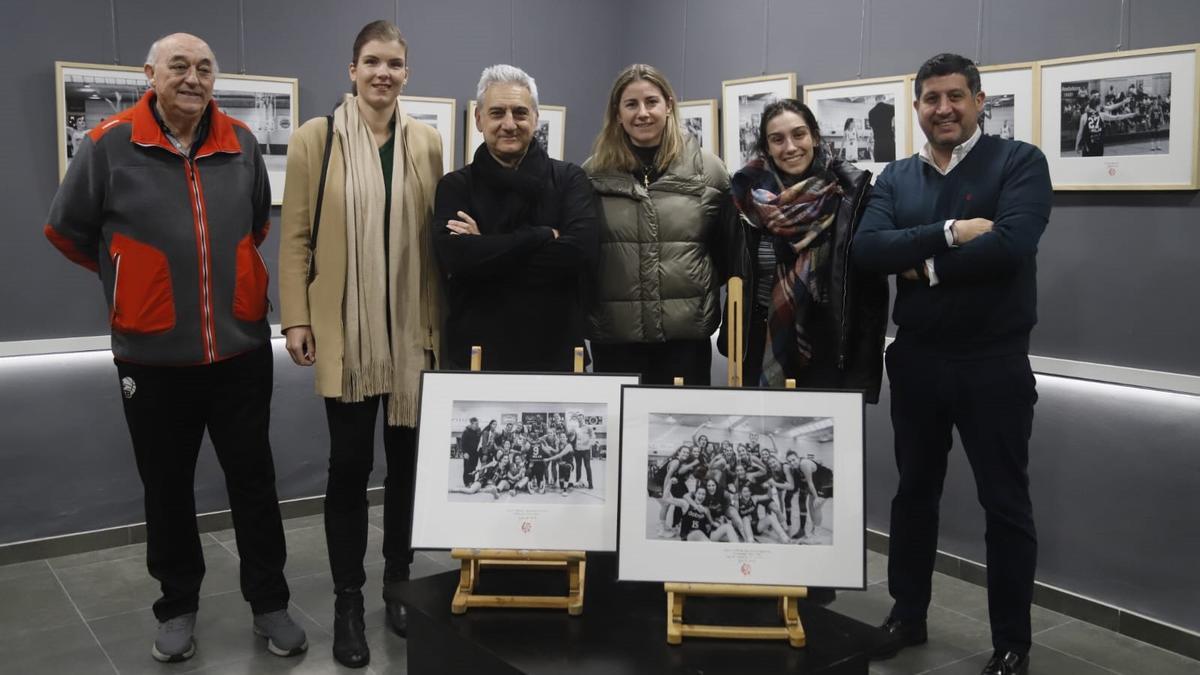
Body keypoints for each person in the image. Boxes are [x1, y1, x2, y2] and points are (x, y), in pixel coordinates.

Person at [43, 32, 306, 664]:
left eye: (205, 68)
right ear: (150, 76)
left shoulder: (240, 144)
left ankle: (269, 601)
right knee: (166, 488)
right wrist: (130, 280)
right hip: (152, 360)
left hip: (240, 352)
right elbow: (67, 230)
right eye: (179, 67)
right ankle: (177, 607)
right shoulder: (108, 145)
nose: (193, 77)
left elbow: (254, 227)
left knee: (254, 482)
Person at [853, 53, 1052, 675]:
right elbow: (867, 250)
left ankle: (1012, 643)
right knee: (913, 496)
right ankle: (907, 614)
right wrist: (951, 233)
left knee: (1006, 505)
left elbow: (1013, 243)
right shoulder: (895, 176)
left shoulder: (1020, 162)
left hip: (994, 363)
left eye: (955, 97)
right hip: (917, 361)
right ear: (916, 107)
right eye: (931, 99)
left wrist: (923, 266)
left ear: (978, 101)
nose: (943, 108)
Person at [278, 20, 443, 668]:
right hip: (346, 335)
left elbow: (439, 237)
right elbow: (294, 239)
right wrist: (296, 318)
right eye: (372, 61)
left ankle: (397, 583)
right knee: (348, 470)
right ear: (352, 69)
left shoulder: (427, 143)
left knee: (406, 469)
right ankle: (349, 600)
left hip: (411, 335)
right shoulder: (315, 139)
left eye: (394, 63)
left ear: (406, 72)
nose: (383, 73)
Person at [584, 64, 744, 385]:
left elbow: (730, 256)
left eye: (651, 102)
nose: (642, 113)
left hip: (684, 342)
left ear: (668, 106)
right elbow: (584, 257)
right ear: (617, 114)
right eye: (631, 104)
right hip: (615, 341)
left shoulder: (708, 170)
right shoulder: (593, 174)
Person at [433, 64, 600, 371]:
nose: (509, 124)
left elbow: (580, 254)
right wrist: (540, 237)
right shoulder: (455, 186)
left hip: (556, 352)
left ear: (535, 118)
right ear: (479, 119)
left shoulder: (569, 180)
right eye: (497, 113)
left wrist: (484, 247)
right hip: (475, 354)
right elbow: (457, 259)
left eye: (520, 113)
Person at [728, 98, 888, 398]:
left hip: (829, 345)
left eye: (798, 135)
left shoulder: (851, 194)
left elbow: (870, 293)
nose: (790, 147)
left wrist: (863, 375)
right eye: (777, 139)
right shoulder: (745, 198)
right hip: (764, 340)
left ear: (814, 136)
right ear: (767, 147)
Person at [1075, 89, 1138, 157]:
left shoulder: (1094, 107)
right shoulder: (1090, 108)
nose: (1098, 96)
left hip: (1090, 141)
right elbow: (1114, 115)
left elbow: (1110, 108)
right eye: (1097, 95)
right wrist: (1129, 114)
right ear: (1092, 96)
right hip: (1092, 138)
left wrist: (1123, 102)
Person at [459, 417, 483, 485]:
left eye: (478, 423)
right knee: (467, 468)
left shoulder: (478, 432)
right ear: (471, 424)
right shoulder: (466, 432)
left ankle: (472, 481)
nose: (477, 425)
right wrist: (464, 452)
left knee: (474, 468)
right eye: (475, 424)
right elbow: (462, 443)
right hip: (468, 454)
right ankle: (467, 482)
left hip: (475, 454)